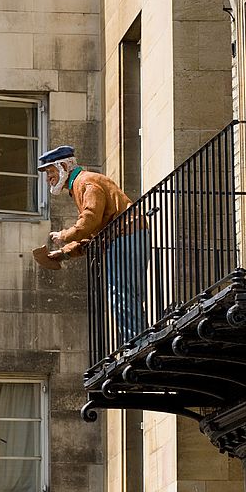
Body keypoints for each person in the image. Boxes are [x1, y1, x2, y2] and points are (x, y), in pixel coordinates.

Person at [38, 145, 150, 343]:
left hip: (125, 237)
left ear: (63, 165)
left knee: (121, 293)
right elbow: (93, 233)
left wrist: (65, 235)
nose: (48, 178)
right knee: (128, 293)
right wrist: (64, 253)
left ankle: (137, 342)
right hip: (128, 236)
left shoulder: (87, 181)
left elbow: (90, 220)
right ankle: (138, 339)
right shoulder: (81, 185)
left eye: (50, 172)